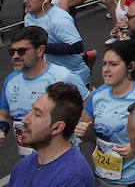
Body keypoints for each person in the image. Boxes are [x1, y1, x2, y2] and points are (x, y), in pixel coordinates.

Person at [75, 41, 135, 187]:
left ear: (130, 67)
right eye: (104, 64)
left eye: (113, 64)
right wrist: (87, 134)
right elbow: (91, 134)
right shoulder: (98, 95)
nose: (106, 69)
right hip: (105, 178)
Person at [0, 26, 89, 158]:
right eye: (12, 51)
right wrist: (1, 129)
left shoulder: (63, 77)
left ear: (40, 50)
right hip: (28, 161)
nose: (15, 56)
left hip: (61, 160)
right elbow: (4, 115)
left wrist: (77, 129)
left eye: (21, 51)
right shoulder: (11, 81)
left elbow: (88, 106)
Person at [4, 82, 94, 187]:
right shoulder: (23, 165)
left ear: (57, 127)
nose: (25, 120)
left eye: (37, 114)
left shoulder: (72, 180)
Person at [22, 0, 90, 87]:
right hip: (49, 77)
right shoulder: (28, 18)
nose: (25, 1)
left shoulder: (59, 18)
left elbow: (77, 46)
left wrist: (42, 48)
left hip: (72, 76)